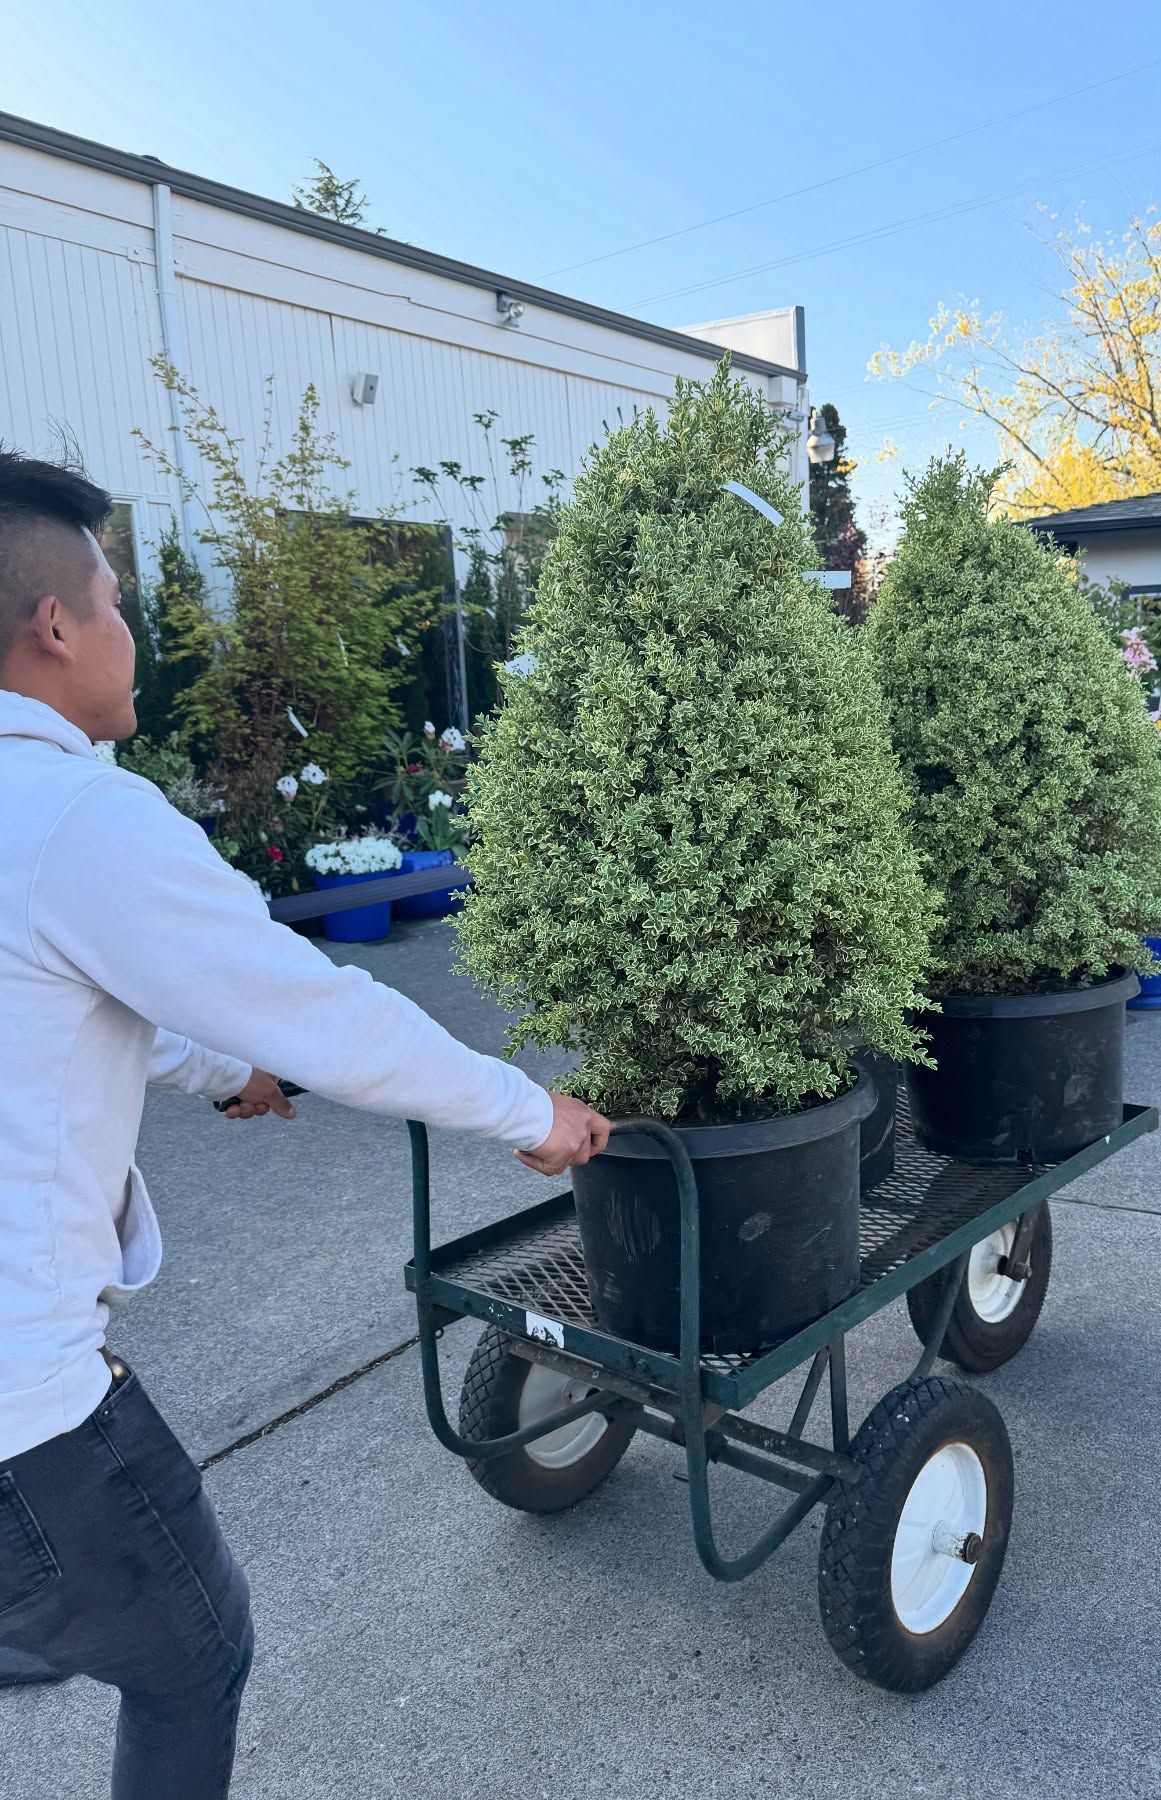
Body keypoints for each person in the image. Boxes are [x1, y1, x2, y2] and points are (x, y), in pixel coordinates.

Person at [0, 449, 610, 1797]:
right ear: (53, 627)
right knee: (190, 1653)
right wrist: (533, 1112)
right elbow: (325, 1013)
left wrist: (225, 1074)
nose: (131, 634)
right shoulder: (76, 819)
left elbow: (66, 1001)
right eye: (114, 603)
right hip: (25, 1415)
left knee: (66, 1612)